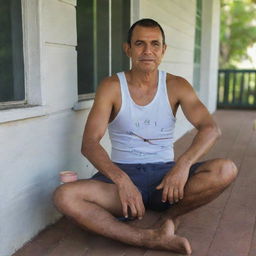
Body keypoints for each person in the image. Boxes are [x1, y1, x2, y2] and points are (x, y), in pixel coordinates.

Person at [53, 18, 238, 255]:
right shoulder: (112, 86)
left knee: (226, 169)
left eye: (155, 44)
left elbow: (211, 129)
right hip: (121, 177)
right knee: (64, 196)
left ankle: (168, 218)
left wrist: (183, 165)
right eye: (140, 44)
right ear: (127, 48)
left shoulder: (176, 85)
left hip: (167, 178)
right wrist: (122, 181)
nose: (148, 51)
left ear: (163, 50)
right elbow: (89, 143)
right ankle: (145, 238)